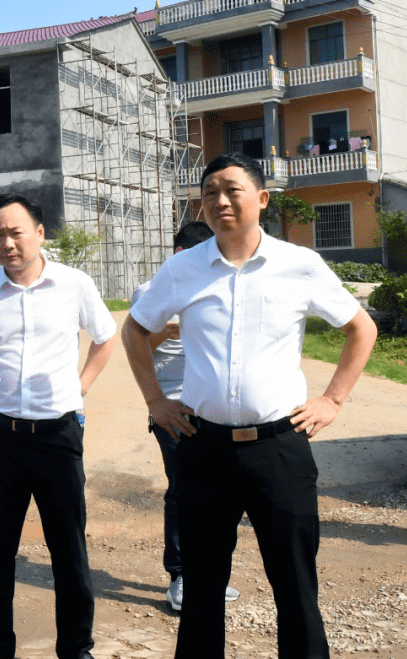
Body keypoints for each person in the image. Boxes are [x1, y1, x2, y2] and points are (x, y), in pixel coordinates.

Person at [123, 154, 377, 659]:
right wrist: (156, 401)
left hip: (279, 448)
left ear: (261, 199)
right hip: (203, 447)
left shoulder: (299, 265)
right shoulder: (183, 269)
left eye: (231, 190)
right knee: (202, 588)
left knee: (295, 584)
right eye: (209, 192)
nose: (219, 200)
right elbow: (134, 329)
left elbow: (360, 328)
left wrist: (332, 400)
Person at [0, 195, 117, 659]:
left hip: (57, 435)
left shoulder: (74, 284)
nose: (7, 243)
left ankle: (76, 648)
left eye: (16, 233)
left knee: (68, 547)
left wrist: (80, 387)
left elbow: (106, 336)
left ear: (40, 233)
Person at [131, 221, 242, 612]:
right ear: (182, 253)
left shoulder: (217, 284)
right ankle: (181, 577)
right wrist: (169, 330)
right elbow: (138, 343)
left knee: (220, 493)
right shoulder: (153, 290)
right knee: (182, 490)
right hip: (174, 407)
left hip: (215, 409)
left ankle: (208, 574)